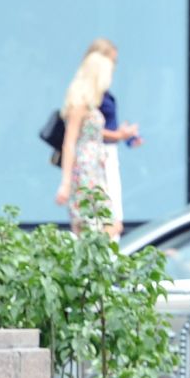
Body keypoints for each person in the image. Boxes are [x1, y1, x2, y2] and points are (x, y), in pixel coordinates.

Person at [56, 47, 117, 237]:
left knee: (104, 226)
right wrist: (65, 183)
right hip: (85, 171)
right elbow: (69, 143)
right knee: (93, 227)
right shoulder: (80, 105)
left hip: (96, 170)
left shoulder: (91, 105)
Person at [86, 39, 141, 236]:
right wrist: (118, 134)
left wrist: (123, 134)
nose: (114, 67)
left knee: (114, 213)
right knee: (108, 213)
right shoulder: (89, 91)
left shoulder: (103, 90)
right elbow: (86, 127)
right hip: (98, 156)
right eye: (111, 61)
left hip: (109, 152)